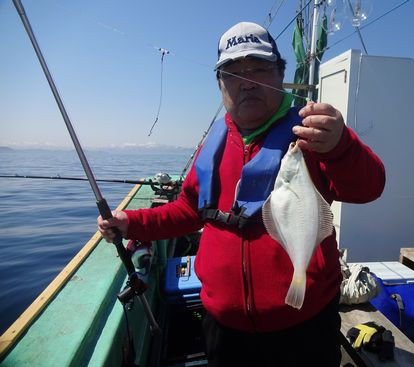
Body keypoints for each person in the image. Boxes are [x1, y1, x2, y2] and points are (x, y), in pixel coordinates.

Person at [98, 21, 385, 366]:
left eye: (260, 68)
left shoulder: (311, 136)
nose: (247, 81)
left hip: (305, 328)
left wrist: (341, 146)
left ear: (281, 75)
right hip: (225, 331)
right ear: (220, 84)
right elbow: (189, 210)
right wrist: (131, 222)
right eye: (233, 72)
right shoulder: (212, 147)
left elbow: (369, 188)